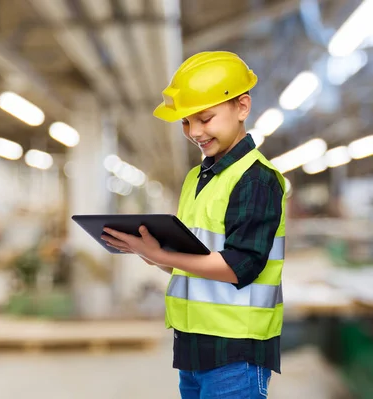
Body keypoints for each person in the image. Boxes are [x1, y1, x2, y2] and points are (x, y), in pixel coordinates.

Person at [101, 51, 286, 399]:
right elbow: (195, 257)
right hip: (193, 346)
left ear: (242, 107)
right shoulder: (196, 178)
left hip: (236, 351)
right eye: (186, 122)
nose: (194, 132)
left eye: (205, 118)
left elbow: (240, 265)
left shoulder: (256, 180)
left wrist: (165, 257)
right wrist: (150, 253)